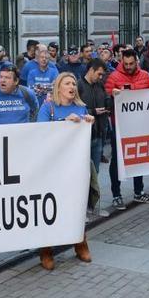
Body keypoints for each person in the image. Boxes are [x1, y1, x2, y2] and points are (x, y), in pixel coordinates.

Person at [35, 73, 94, 270]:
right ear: (58, 87)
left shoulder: (81, 107)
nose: (72, 86)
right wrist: (63, 123)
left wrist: (88, 123)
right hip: (52, 167)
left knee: (75, 205)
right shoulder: (48, 107)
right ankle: (46, 249)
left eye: (74, 83)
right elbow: (40, 133)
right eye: (67, 83)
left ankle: (80, 243)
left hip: (74, 166)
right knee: (49, 207)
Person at [104, 49, 149, 208]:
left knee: (138, 157)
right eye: (125, 64)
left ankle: (138, 192)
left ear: (136, 61)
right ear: (121, 61)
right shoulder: (114, 77)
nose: (128, 67)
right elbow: (106, 98)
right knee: (116, 160)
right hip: (119, 126)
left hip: (139, 125)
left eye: (131, 64)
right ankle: (116, 194)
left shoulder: (144, 75)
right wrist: (112, 94)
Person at [78, 59, 109, 179]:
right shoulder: (79, 85)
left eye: (102, 75)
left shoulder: (100, 85)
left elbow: (106, 99)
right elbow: (75, 110)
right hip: (84, 136)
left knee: (95, 172)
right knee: (83, 173)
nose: (101, 77)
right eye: (99, 74)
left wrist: (110, 102)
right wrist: (93, 111)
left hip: (98, 135)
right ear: (91, 70)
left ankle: (93, 197)